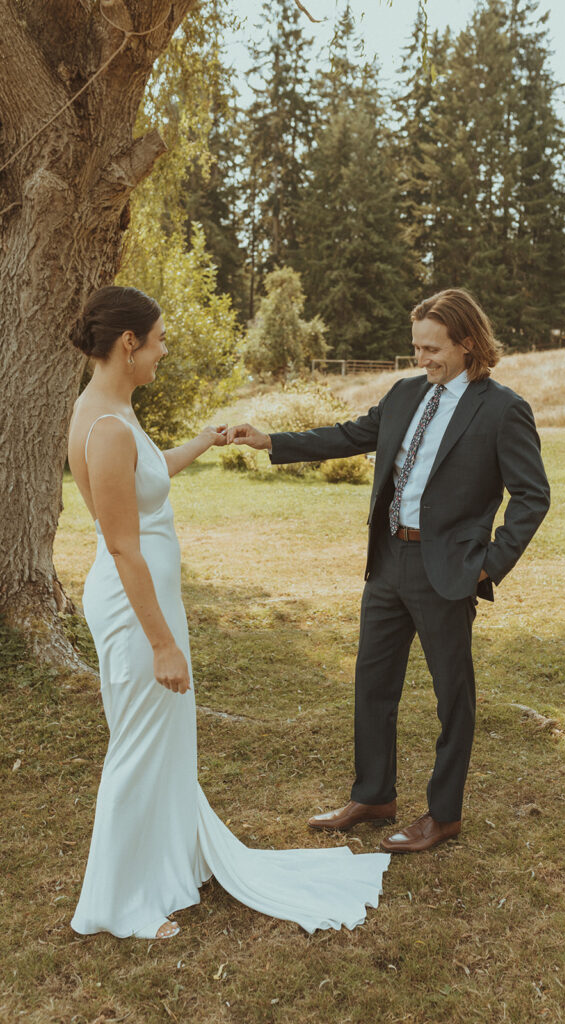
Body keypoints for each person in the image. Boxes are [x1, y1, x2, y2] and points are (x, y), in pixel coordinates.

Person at [67, 285, 389, 941]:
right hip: (136, 611)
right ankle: (120, 905)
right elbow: (124, 546)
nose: (163, 351)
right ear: (129, 343)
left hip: (150, 604)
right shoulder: (102, 425)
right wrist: (161, 644)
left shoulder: (113, 411)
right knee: (136, 748)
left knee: (161, 743)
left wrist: (204, 442)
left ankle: (167, 866)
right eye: (158, 340)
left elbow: (149, 470)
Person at [227, 288, 550, 854]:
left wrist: (488, 566)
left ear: (467, 343)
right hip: (388, 563)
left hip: (449, 571)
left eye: (432, 349)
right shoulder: (404, 394)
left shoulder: (501, 409)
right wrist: (271, 441)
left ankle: (443, 814)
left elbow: (531, 496)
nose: (421, 359)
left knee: (454, 696)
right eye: (416, 347)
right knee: (373, 684)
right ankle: (374, 794)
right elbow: (350, 435)